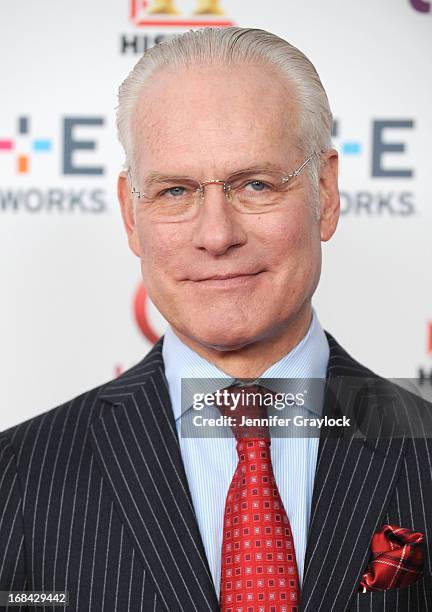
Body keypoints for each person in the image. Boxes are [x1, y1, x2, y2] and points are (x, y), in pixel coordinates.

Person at [0, 27, 431, 612]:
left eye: (255, 184)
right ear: (131, 215)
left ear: (325, 194)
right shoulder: (18, 476)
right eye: (175, 192)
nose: (217, 235)